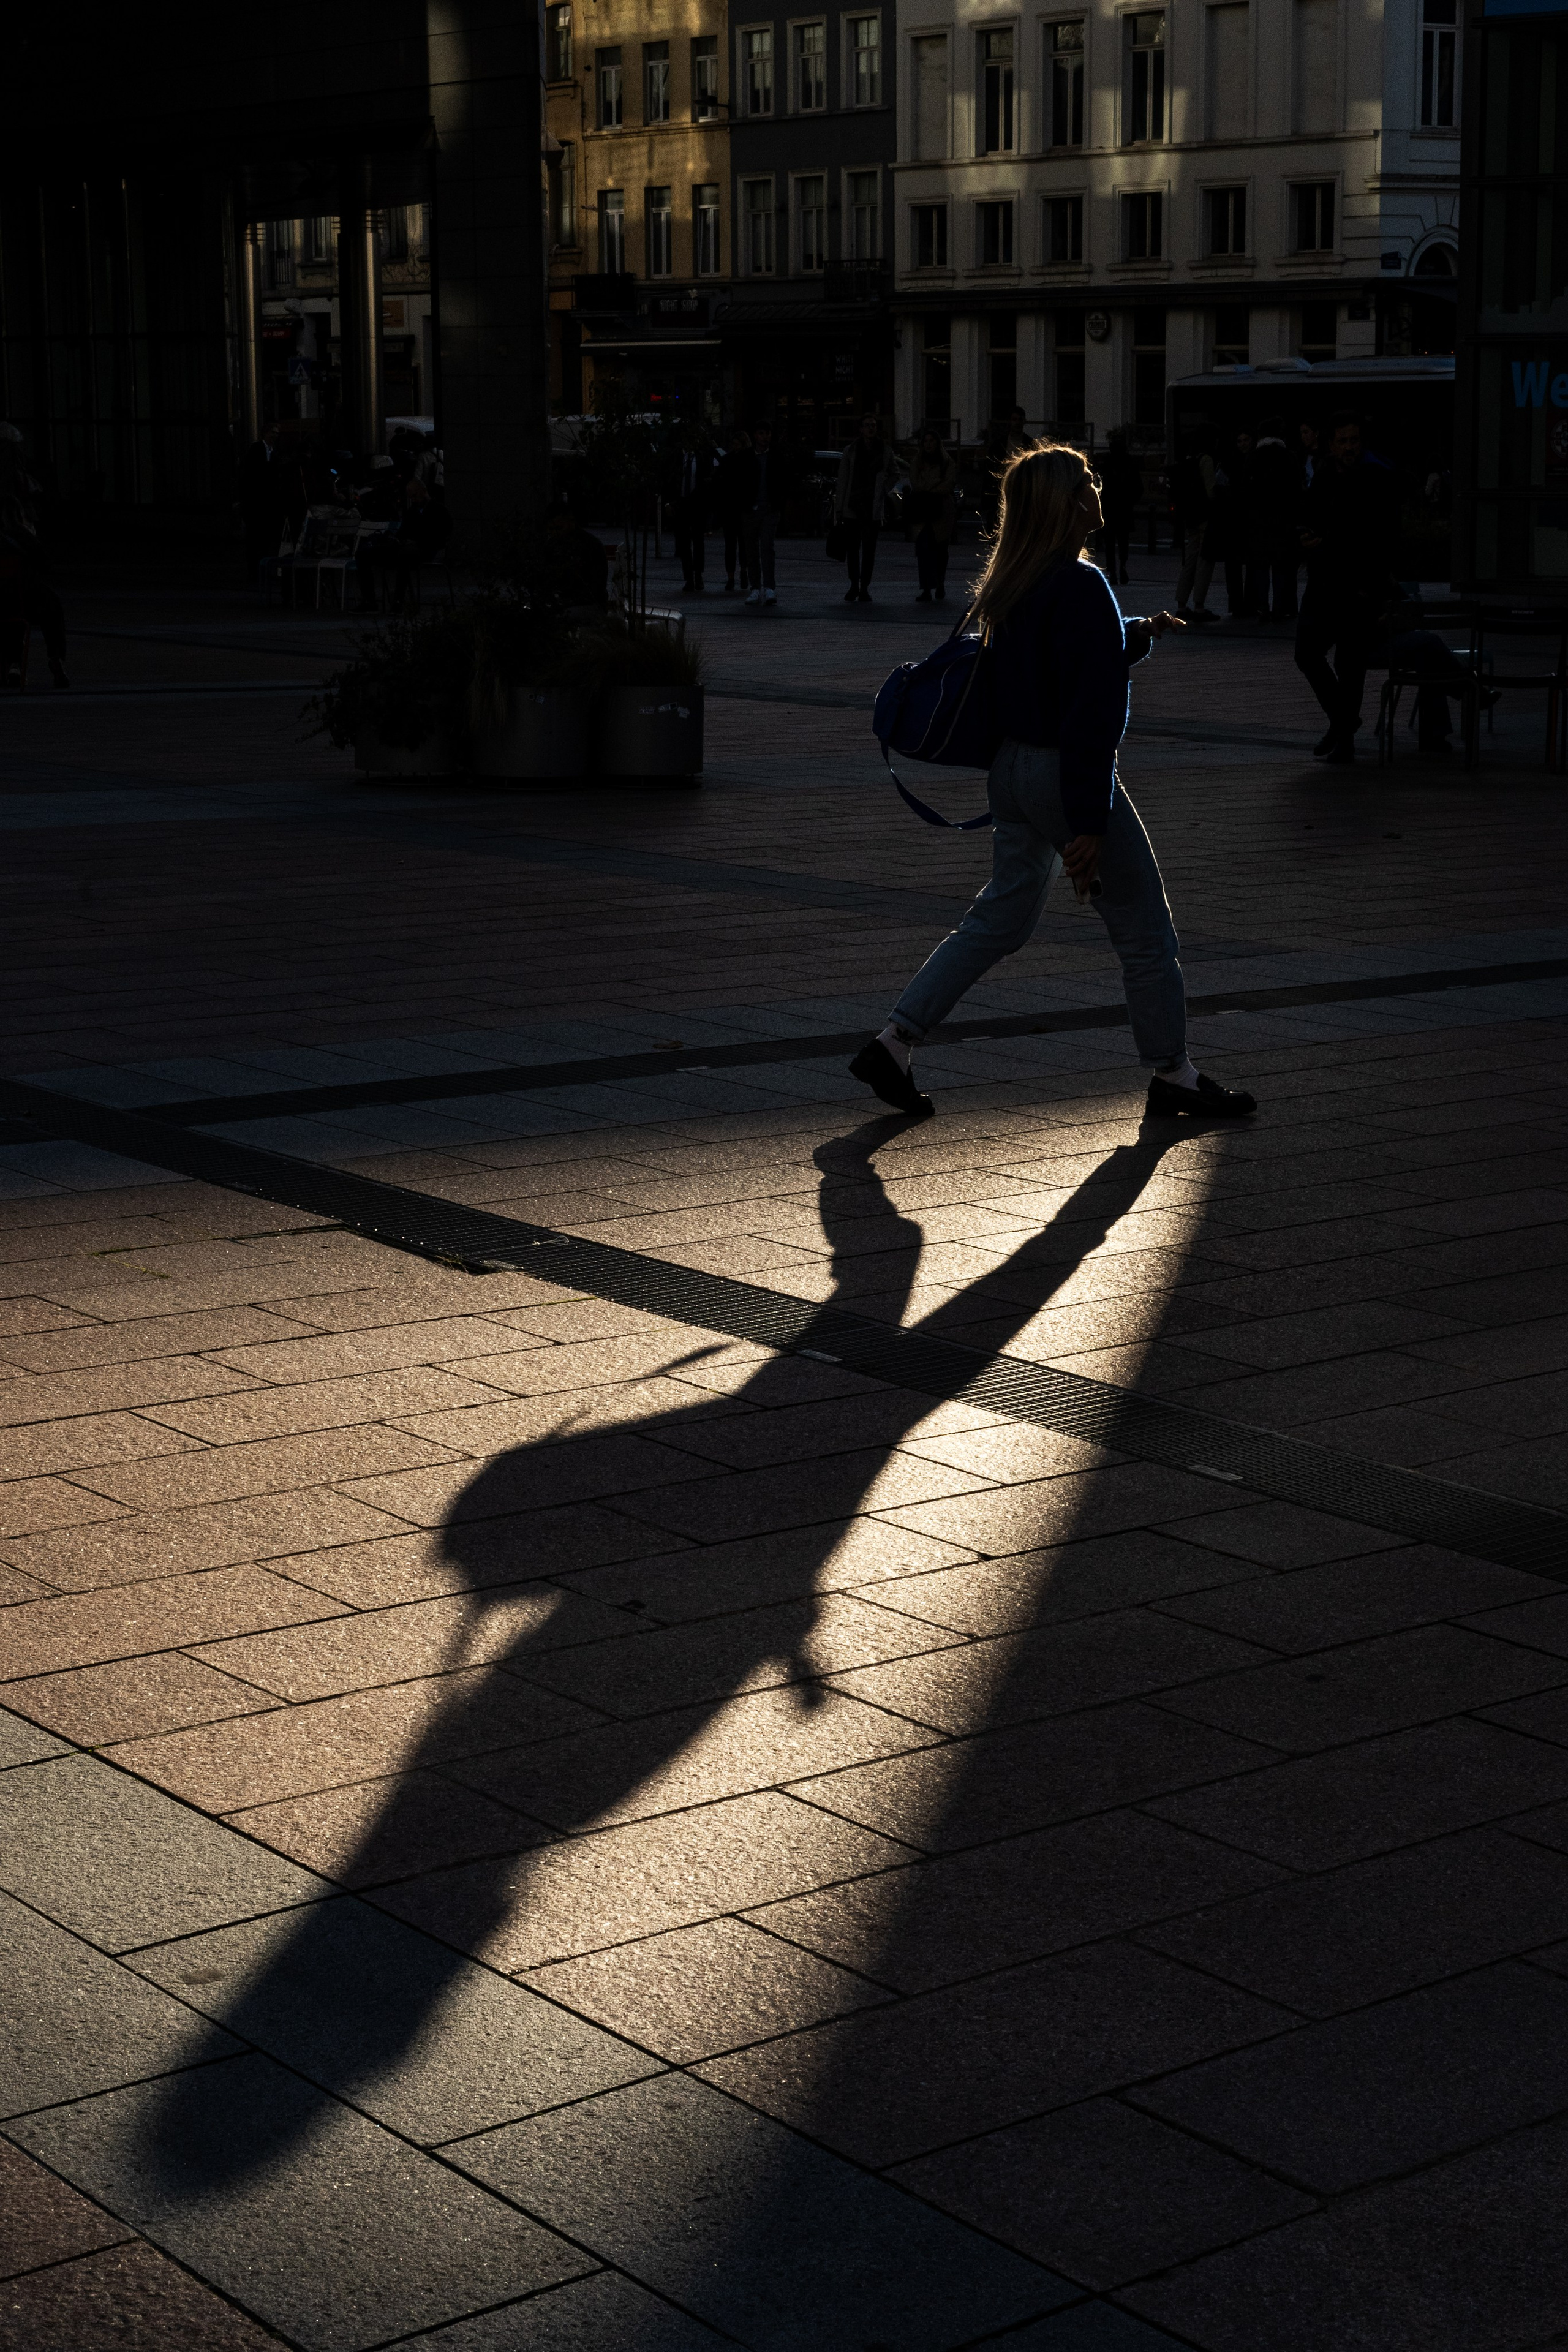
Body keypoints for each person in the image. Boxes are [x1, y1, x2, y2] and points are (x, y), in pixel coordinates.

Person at [848, 444, 1256, 1123]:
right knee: (1145, 930)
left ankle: (894, 1041)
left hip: (1011, 771)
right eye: (1088, 480)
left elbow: (1057, 661)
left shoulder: (1013, 579)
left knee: (998, 919)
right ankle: (1174, 1074)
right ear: (1068, 502)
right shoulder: (1081, 582)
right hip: (1061, 773)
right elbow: (1090, 709)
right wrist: (1089, 820)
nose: (1098, 486)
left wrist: (1137, 633)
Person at [1294, 411, 1400, 763]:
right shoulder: (1325, 476)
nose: (1349, 447)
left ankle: (1344, 737)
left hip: (1357, 588)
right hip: (1325, 584)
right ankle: (1344, 721)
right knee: (1307, 653)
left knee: (1350, 664)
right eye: (1343, 441)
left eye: (1354, 440)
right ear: (1332, 445)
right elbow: (1307, 516)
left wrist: (1371, 586)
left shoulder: (1375, 479)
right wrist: (1304, 537)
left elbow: (1381, 538)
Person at [0, 497, 69, 691]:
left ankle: (14, 664)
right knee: (52, 607)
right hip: (28, 600)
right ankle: (55, 658)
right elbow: (46, 564)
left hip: (4, 602)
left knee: (12, 612)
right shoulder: (25, 537)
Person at [357, 476, 453, 614]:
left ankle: (398, 602)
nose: (413, 500)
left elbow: (440, 536)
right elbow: (402, 534)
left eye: (415, 496)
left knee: (405, 557)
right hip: (406, 549)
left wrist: (417, 542)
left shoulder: (439, 511)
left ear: (423, 491)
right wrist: (394, 540)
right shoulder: (412, 512)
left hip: (427, 550)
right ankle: (369, 601)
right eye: (411, 497)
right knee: (363, 555)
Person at [833, 413, 900, 603]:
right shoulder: (851, 451)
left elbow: (895, 473)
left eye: (873, 425)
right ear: (861, 429)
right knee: (853, 549)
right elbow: (843, 479)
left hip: (872, 507)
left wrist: (882, 489)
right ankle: (854, 584)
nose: (871, 428)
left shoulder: (884, 450)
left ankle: (864, 587)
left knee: (869, 550)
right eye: (867, 425)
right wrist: (840, 508)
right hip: (853, 505)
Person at [1250, 419, 1300, 624]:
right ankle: (1280, 607)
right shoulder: (1289, 456)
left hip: (1259, 519)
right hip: (1283, 519)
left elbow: (1246, 489)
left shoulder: (1254, 457)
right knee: (1281, 567)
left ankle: (1263, 608)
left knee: (1261, 567)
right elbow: (1296, 489)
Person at [907, 428, 959, 603]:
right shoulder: (917, 462)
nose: (929, 445)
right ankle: (927, 588)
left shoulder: (947, 462)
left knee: (941, 551)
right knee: (923, 550)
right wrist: (935, 484)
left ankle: (940, 583)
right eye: (926, 441)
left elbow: (948, 485)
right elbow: (916, 483)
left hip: (942, 511)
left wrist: (929, 487)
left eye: (932, 441)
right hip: (922, 512)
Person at [1171, 438, 1218, 624]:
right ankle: (1199, 606)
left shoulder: (1189, 459)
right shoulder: (1206, 460)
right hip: (1205, 515)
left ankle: (1182, 604)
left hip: (1190, 515)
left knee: (1190, 559)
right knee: (1205, 559)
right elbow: (1211, 490)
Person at [540, 502, 610, 617]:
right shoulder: (552, 546)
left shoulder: (590, 546)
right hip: (572, 603)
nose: (555, 533)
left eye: (559, 528)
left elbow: (595, 588)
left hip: (588, 604)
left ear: (571, 523)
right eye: (551, 530)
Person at [740, 420, 781, 608]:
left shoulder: (775, 456)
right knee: (751, 550)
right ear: (756, 436)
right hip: (751, 509)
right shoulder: (747, 457)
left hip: (768, 508)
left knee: (766, 547)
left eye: (768, 433)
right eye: (762, 433)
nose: (765, 437)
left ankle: (768, 587)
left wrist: (777, 504)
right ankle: (756, 587)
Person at [671, 434, 714, 594]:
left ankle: (698, 575)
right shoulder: (678, 457)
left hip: (697, 503)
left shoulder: (701, 457)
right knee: (684, 542)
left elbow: (708, 479)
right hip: (682, 503)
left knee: (698, 541)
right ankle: (689, 577)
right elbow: (671, 478)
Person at [1098, 429, 1141, 586]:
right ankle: (1122, 565)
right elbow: (1138, 487)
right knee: (1123, 542)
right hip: (1124, 508)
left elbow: (1100, 486)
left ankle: (1113, 571)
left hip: (1110, 508)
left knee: (1110, 543)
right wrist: (1130, 501)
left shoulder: (1106, 464)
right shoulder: (1130, 464)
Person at [715, 429, 752, 595]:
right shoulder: (733, 460)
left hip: (738, 508)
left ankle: (740, 573)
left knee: (740, 545)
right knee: (734, 545)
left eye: (738, 445)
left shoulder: (733, 460)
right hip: (734, 508)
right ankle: (734, 576)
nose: (735, 447)